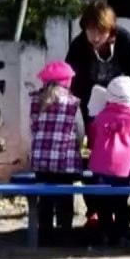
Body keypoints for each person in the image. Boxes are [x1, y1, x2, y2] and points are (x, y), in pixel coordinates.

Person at [28, 61, 85, 247]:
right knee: (64, 197)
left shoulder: (35, 100)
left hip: (41, 159)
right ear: (67, 81)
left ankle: (44, 235)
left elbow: (32, 127)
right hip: (64, 160)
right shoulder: (73, 103)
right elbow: (80, 132)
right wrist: (76, 147)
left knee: (45, 198)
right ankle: (65, 233)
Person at [86, 75, 130, 247]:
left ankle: (105, 233)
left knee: (103, 201)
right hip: (123, 169)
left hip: (100, 168)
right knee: (121, 201)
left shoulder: (100, 116)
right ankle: (121, 233)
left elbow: (92, 137)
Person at [65, 1, 130, 127]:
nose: (95, 37)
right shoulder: (79, 45)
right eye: (90, 30)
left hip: (118, 99)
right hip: (89, 102)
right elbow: (70, 75)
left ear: (110, 30)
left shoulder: (123, 40)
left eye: (100, 31)